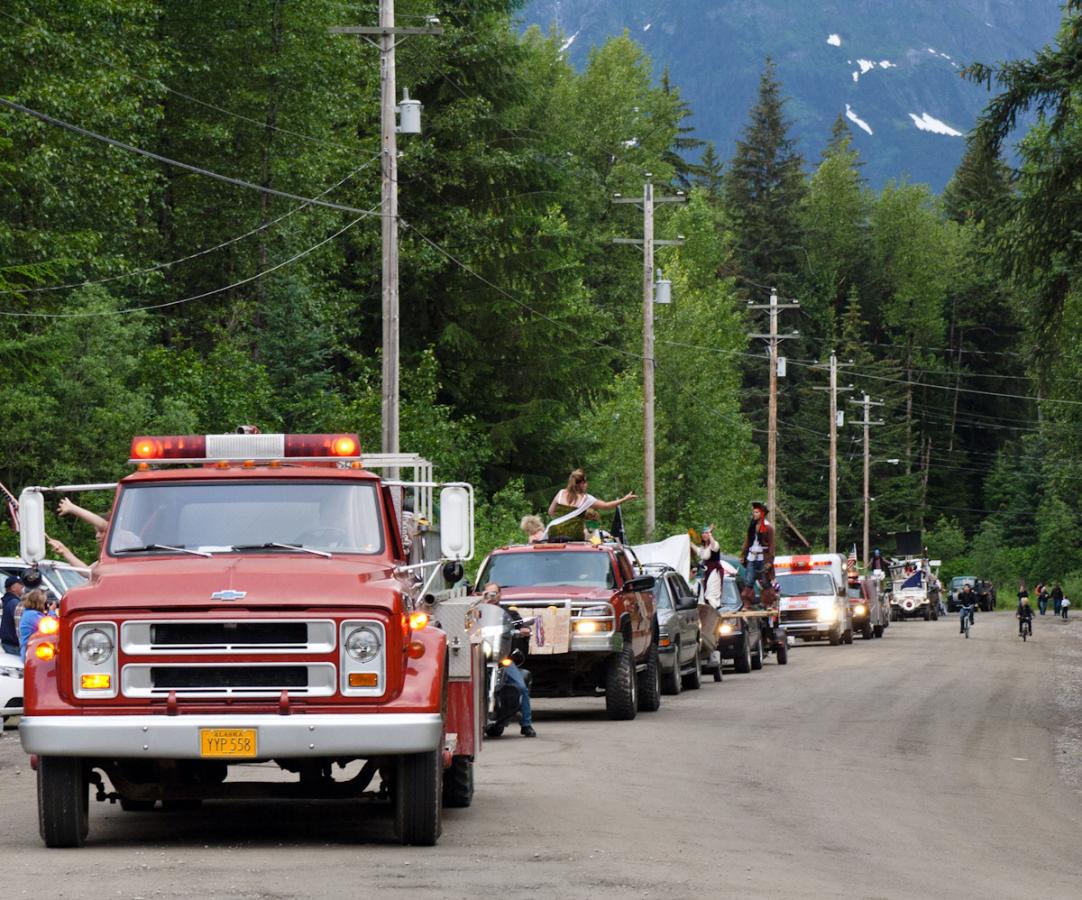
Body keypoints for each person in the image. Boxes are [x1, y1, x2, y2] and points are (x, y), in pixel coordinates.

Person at [481, 582, 536, 737]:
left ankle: (526, 724)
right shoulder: (478, 612)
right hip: (482, 657)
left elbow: (521, 626)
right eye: (487, 594)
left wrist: (523, 630)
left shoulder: (509, 613)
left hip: (502, 657)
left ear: (500, 595)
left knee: (521, 687)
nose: (491, 597)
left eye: (494, 594)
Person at [546, 470, 636, 541]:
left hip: (554, 534)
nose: (586, 485)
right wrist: (625, 499)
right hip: (573, 536)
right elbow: (607, 506)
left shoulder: (561, 493)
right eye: (585, 482)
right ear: (581, 484)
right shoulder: (586, 499)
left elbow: (550, 512)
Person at [739, 501, 775, 591]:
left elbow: (771, 545)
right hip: (752, 556)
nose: (754, 514)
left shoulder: (768, 527)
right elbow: (747, 542)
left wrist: (770, 561)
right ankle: (748, 602)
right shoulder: (752, 526)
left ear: (762, 513)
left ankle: (768, 603)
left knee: (765, 582)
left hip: (763, 557)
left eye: (757, 512)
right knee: (748, 581)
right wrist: (743, 554)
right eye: (754, 512)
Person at [691, 525, 724, 607]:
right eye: (703, 533)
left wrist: (710, 534)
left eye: (706, 533)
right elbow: (698, 550)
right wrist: (688, 542)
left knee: (711, 594)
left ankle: (715, 610)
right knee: (706, 594)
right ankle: (712, 611)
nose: (704, 534)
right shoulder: (703, 548)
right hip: (707, 572)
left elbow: (714, 547)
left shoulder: (714, 544)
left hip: (714, 572)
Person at [17, 588, 49, 661]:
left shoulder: (29, 613)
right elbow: (49, 625)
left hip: (30, 651)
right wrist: (52, 612)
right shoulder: (32, 615)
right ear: (39, 603)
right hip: (30, 654)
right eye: (45, 602)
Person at [1, 574, 25, 656]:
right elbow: (20, 625)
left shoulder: (8, 600)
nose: (22, 586)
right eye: (20, 584)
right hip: (13, 646)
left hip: (8, 644)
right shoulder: (14, 603)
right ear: (13, 588)